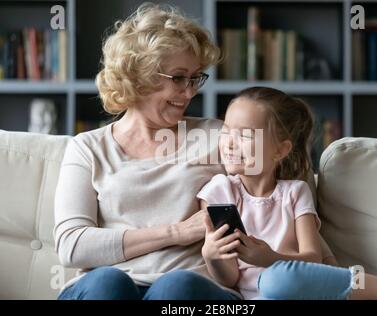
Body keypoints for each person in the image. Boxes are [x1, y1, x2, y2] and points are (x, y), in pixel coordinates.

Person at [54, 3, 241, 300]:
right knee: (107, 284)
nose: (190, 91)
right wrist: (176, 232)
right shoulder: (88, 148)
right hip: (106, 290)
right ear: (137, 76)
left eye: (195, 78)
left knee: (175, 287)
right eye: (178, 78)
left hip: (193, 290)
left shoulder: (219, 136)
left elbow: (275, 192)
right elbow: (72, 246)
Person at [198, 86, 377, 300]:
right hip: (253, 298)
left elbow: (313, 259)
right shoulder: (220, 191)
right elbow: (229, 279)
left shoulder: (294, 192)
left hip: (295, 287)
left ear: (280, 150)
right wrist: (211, 255)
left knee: (276, 279)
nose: (229, 143)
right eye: (226, 131)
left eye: (246, 135)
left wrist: (269, 258)